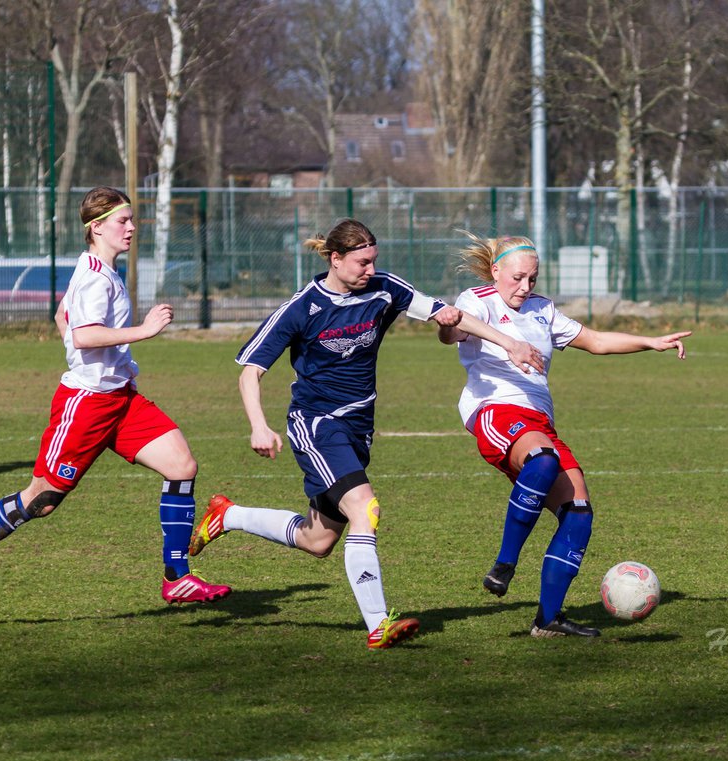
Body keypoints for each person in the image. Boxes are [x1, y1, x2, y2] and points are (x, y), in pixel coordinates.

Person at [186, 219, 545, 650]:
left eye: (373, 260)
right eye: (361, 262)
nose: (369, 270)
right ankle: (379, 624)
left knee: (317, 540)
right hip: (317, 423)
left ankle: (228, 515)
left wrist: (504, 341)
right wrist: (258, 426)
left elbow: (447, 314)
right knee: (365, 508)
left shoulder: (384, 288)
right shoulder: (303, 307)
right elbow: (251, 372)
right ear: (335, 259)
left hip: (358, 426)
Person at [0, 187, 231, 617]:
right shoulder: (95, 276)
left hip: (121, 400)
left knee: (182, 466)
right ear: (96, 227)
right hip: (85, 405)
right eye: (122, 221)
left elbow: (63, 315)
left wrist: (80, 338)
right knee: (40, 501)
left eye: (130, 220)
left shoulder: (100, 269)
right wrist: (143, 331)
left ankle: (177, 579)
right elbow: (84, 334)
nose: (131, 228)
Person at [438, 233, 692, 639]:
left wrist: (651, 342)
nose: (525, 287)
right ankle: (505, 564)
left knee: (578, 512)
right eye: (518, 278)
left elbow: (595, 341)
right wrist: (460, 330)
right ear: (496, 270)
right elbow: (453, 328)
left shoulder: (542, 310)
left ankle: (548, 619)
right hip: (495, 408)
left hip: (539, 419)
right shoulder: (477, 299)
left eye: (533, 279)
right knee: (543, 461)